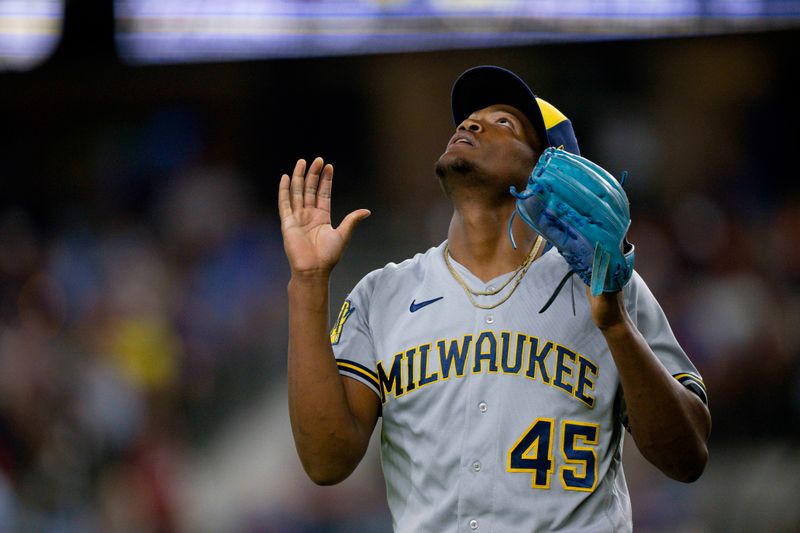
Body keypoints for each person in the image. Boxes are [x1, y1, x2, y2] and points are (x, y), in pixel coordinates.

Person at [277, 65, 711, 532]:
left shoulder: (609, 287)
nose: (470, 124)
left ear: (551, 168)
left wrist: (616, 325)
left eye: (503, 122)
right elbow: (326, 462)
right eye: (467, 120)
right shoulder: (384, 292)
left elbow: (686, 458)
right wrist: (308, 282)